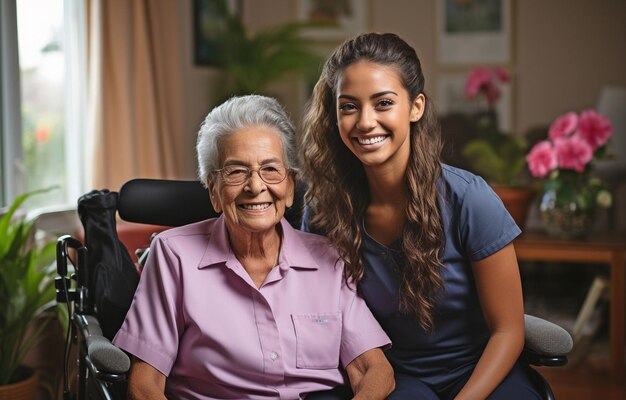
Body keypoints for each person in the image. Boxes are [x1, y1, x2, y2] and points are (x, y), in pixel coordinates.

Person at [300, 33, 541, 399]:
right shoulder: (323, 210)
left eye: (383, 103)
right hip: (395, 378)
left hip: (484, 371)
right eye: (349, 106)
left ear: (415, 107)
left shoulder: (469, 199)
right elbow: (325, 317)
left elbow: (508, 331)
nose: (365, 122)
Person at [113, 95, 394, 400]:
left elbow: (375, 371)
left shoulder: (330, 259)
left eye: (270, 169)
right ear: (214, 192)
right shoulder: (173, 256)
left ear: (289, 188)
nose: (255, 186)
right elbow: (144, 385)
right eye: (235, 171)